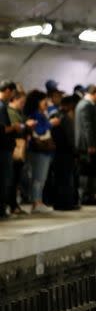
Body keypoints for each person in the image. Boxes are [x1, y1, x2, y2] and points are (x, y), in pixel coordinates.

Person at [24, 90, 59, 213]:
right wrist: (50, 124)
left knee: (41, 177)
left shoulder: (41, 113)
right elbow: (39, 131)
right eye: (43, 100)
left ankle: (38, 201)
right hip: (39, 150)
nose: (46, 102)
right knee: (38, 177)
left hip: (44, 150)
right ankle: (36, 202)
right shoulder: (35, 115)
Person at [1, 81, 28, 218]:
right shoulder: (2, 107)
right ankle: (4, 209)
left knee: (9, 179)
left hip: (7, 147)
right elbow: (3, 129)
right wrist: (16, 127)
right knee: (6, 179)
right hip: (4, 148)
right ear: (7, 91)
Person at [75, 85, 96, 205]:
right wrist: (90, 144)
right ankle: (87, 196)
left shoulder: (85, 105)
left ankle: (91, 195)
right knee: (88, 171)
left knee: (91, 170)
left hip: (88, 144)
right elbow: (87, 126)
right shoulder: (86, 105)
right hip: (87, 146)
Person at [51, 96, 79, 210]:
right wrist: (75, 151)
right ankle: (67, 203)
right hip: (66, 152)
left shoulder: (55, 115)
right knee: (66, 179)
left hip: (57, 152)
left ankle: (59, 203)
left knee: (59, 179)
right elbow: (70, 137)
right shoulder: (65, 118)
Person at [7, 89, 31, 215]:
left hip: (17, 147)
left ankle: (13, 204)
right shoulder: (10, 112)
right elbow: (15, 127)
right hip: (14, 148)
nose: (23, 105)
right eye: (21, 102)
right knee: (12, 178)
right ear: (14, 99)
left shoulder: (17, 112)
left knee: (15, 178)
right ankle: (12, 205)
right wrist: (25, 126)